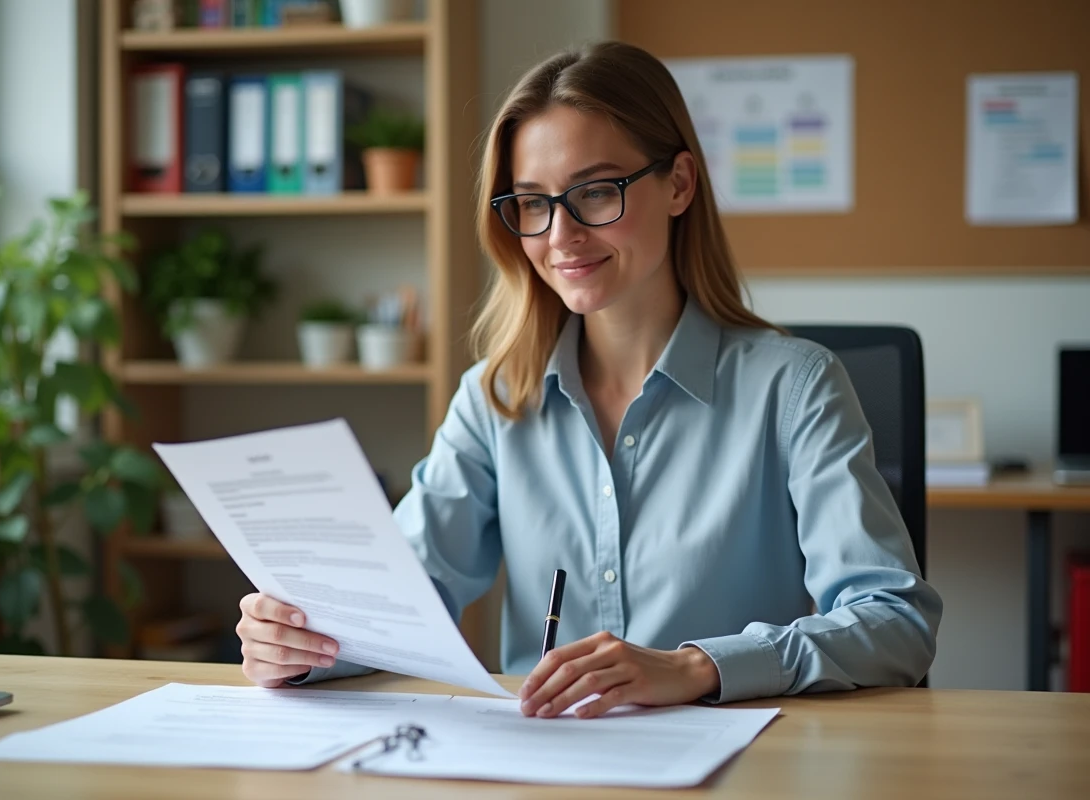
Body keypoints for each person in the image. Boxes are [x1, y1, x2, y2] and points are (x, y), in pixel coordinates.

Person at [236, 41, 942, 716]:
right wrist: (302, 642)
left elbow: (895, 623)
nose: (560, 236)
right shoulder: (495, 398)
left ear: (680, 185)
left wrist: (696, 667)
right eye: (532, 203)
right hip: (549, 760)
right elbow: (395, 603)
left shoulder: (795, 388)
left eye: (596, 192)